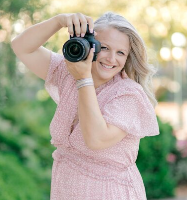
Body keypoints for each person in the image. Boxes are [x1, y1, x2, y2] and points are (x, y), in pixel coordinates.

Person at [11, 12, 159, 200]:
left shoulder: (128, 94)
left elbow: (96, 140)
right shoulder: (67, 72)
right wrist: (59, 21)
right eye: (104, 47)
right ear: (90, 45)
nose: (112, 59)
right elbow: (21, 47)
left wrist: (83, 79)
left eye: (121, 52)